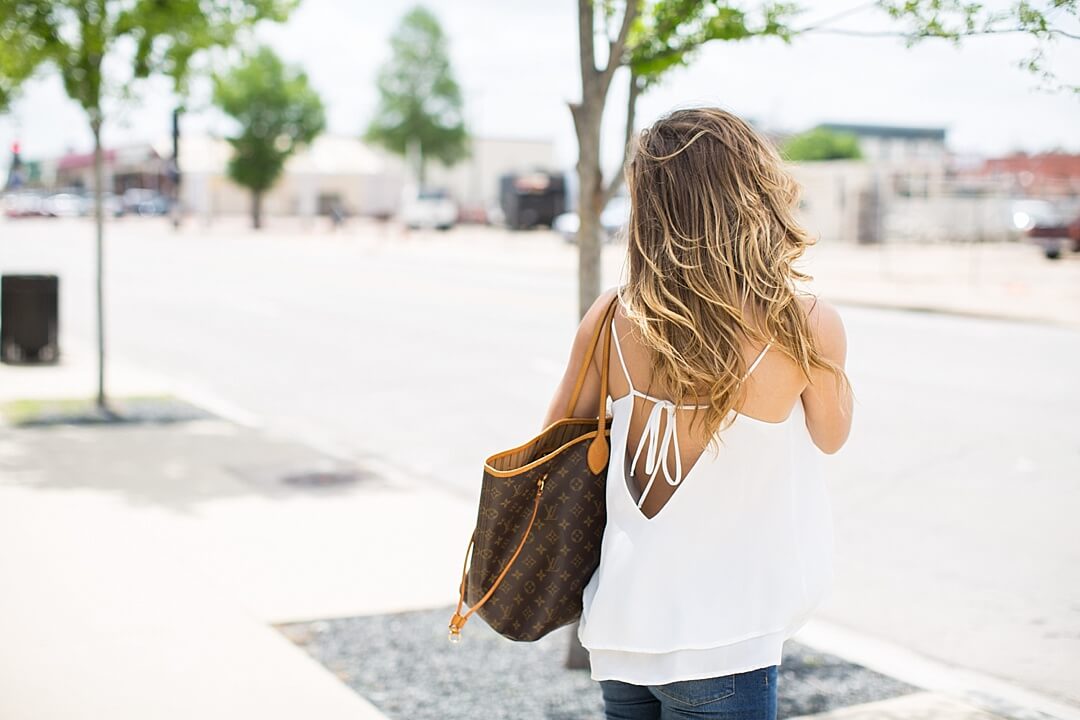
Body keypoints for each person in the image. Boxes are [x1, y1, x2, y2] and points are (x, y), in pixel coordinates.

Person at [541, 107, 855, 720]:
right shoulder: (804, 322)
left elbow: (557, 442)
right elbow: (832, 435)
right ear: (753, 193)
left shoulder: (612, 317)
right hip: (729, 635)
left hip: (625, 626)